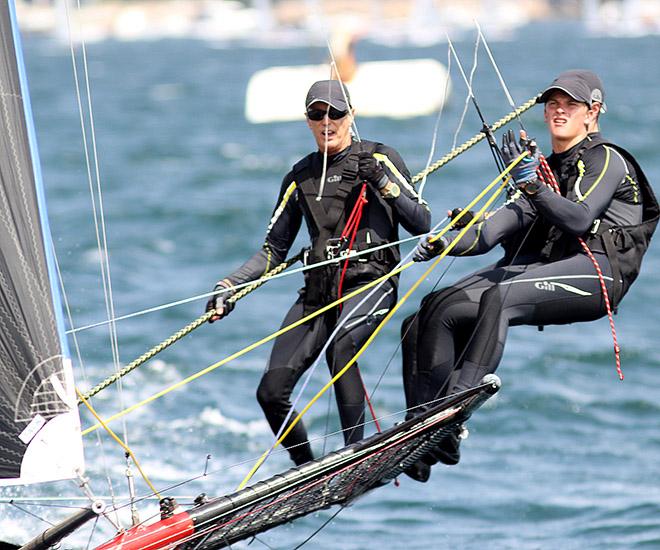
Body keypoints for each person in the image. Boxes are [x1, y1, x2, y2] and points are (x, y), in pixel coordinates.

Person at [401, 69, 658, 481]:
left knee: (498, 297)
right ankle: (420, 437)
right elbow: (487, 235)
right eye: (552, 104)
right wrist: (445, 241)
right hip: (552, 268)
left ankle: (447, 416)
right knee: (431, 309)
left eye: (569, 105)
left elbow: (578, 218)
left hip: (600, 275)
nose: (558, 111)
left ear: (592, 112)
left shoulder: (607, 158)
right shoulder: (540, 172)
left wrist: (533, 187)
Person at [206, 80, 431, 466]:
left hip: (371, 282)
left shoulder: (379, 158)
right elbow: (273, 250)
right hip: (319, 293)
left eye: (336, 113)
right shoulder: (300, 177)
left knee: (341, 346)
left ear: (351, 115)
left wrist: (381, 182)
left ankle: (353, 455)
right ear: (307, 120)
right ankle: (308, 471)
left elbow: (421, 222)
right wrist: (230, 285)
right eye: (317, 113)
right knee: (270, 392)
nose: (327, 121)